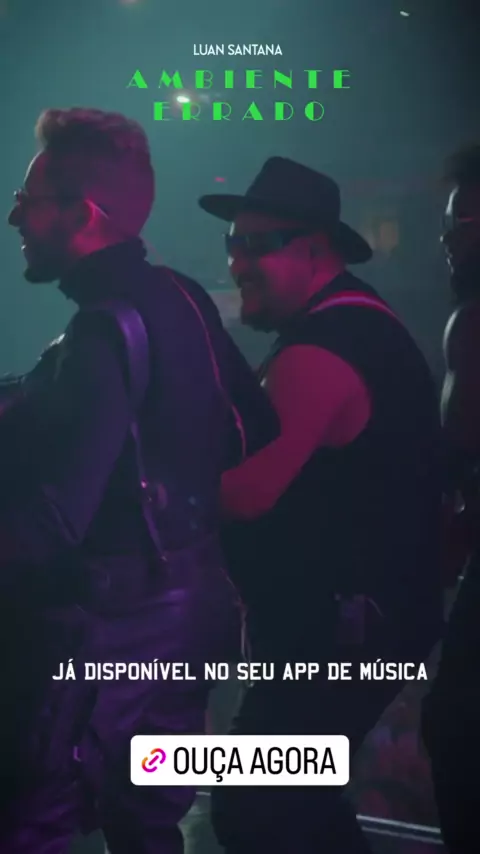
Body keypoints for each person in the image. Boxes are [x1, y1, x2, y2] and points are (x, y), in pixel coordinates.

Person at [0, 108, 278, 853]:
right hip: (191, 615)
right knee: (150, 830)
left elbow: (54, 520)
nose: (15, 217)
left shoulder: (100, 328)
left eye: (28, 201)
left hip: (105, 632)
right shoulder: (181, 295)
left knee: (30, 825)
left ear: (83, 215)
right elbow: (255, 426)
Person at [198, 156, 445, 854]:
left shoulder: (325, 348)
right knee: (287, 805)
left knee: (258, 807)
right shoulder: (344, 327)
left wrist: (142, 480)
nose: (238, 262)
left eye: (259, 245)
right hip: (343, 627)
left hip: (340, 632)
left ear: (315, 251)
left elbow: (243, 493)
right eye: (232, 243)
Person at [421, 144, 480, 854]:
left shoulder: (473, 321)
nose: (446, 239)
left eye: (460, 222)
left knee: (456, 727)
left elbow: (459, 438)